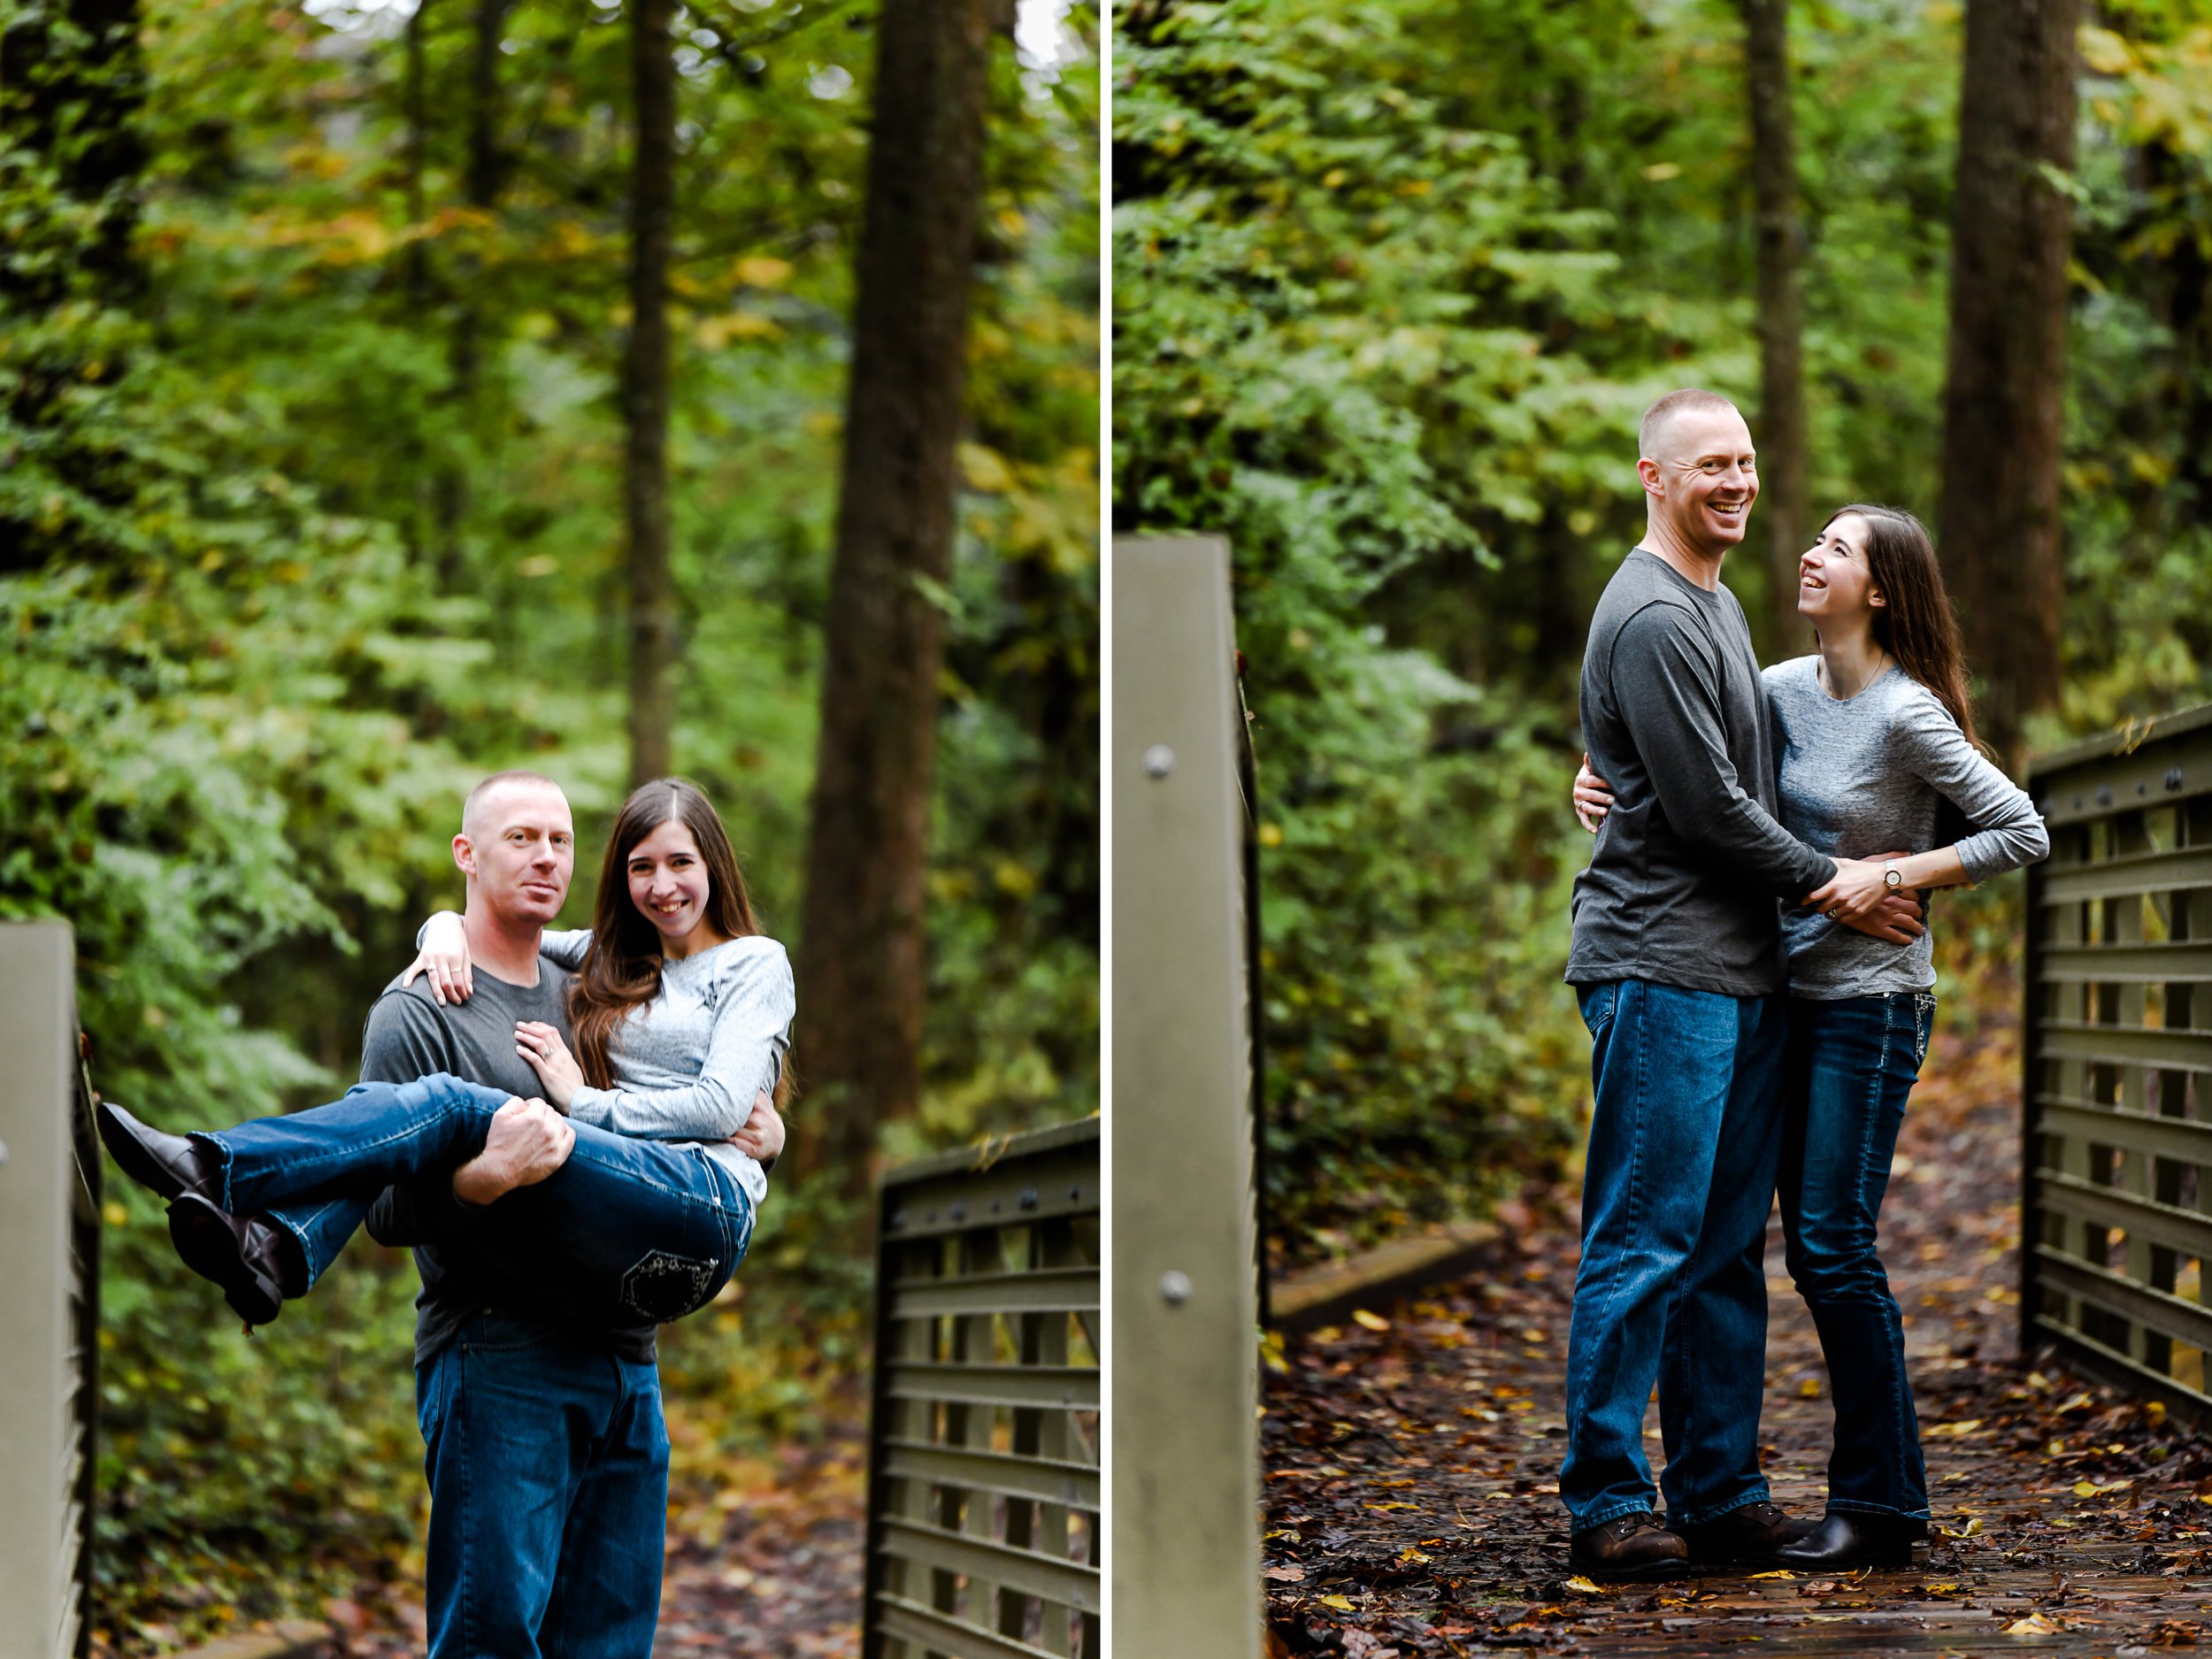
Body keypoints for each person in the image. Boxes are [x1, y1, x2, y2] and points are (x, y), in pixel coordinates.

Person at [96, 770, 794, 1656]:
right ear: (467, 854)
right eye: (520, 838)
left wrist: (759, 1137)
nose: (545, 857)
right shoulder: (418, 1004)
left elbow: (693, 1091)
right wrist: (482, 1179)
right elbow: (384, 1208)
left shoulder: (591, 989)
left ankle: (273, 1243)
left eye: (560, 841)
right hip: (502, 1353)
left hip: (623, 1354)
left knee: (610, 1645)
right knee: (490, 1641)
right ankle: (222, 1171)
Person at [1573, 503, 2047, 1569]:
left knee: (1831, 1247)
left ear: (1879, 590)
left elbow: (2023, 827)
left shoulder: (1905, 712)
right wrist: (1597, 782)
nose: (1808, 552)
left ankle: (1880, 1502)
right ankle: (1720, 1493)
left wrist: (1889, 876)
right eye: (1816, 539)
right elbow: (1698, 776)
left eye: (1836, 547)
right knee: (1737, 1238)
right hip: (1777, 994)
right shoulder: (1777, 685)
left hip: (1870, 1008)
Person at [1558, 388, 1927, 1583]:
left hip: (1741, 971)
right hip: (1663, 964)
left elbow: (1742, 757)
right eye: (1706, 463)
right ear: (1652, 477)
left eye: (1745, 460)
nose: (1733, 480)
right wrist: (1841, 884)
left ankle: (1719, 1490)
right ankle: (1609, 1500)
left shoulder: (1712, 605)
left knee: (1721, 1246)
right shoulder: (1656, 614)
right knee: (1645, 1236)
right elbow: (1715, 811)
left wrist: (1606, 765)